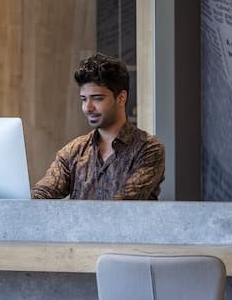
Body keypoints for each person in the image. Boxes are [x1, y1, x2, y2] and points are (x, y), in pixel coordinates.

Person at [31, 53, 165, 200]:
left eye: (97, 98)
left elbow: (125, 205)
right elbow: (41, 194)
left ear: (121, 98)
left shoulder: (148, 149)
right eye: (84, 99)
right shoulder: (74, 151)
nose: (87, 108)